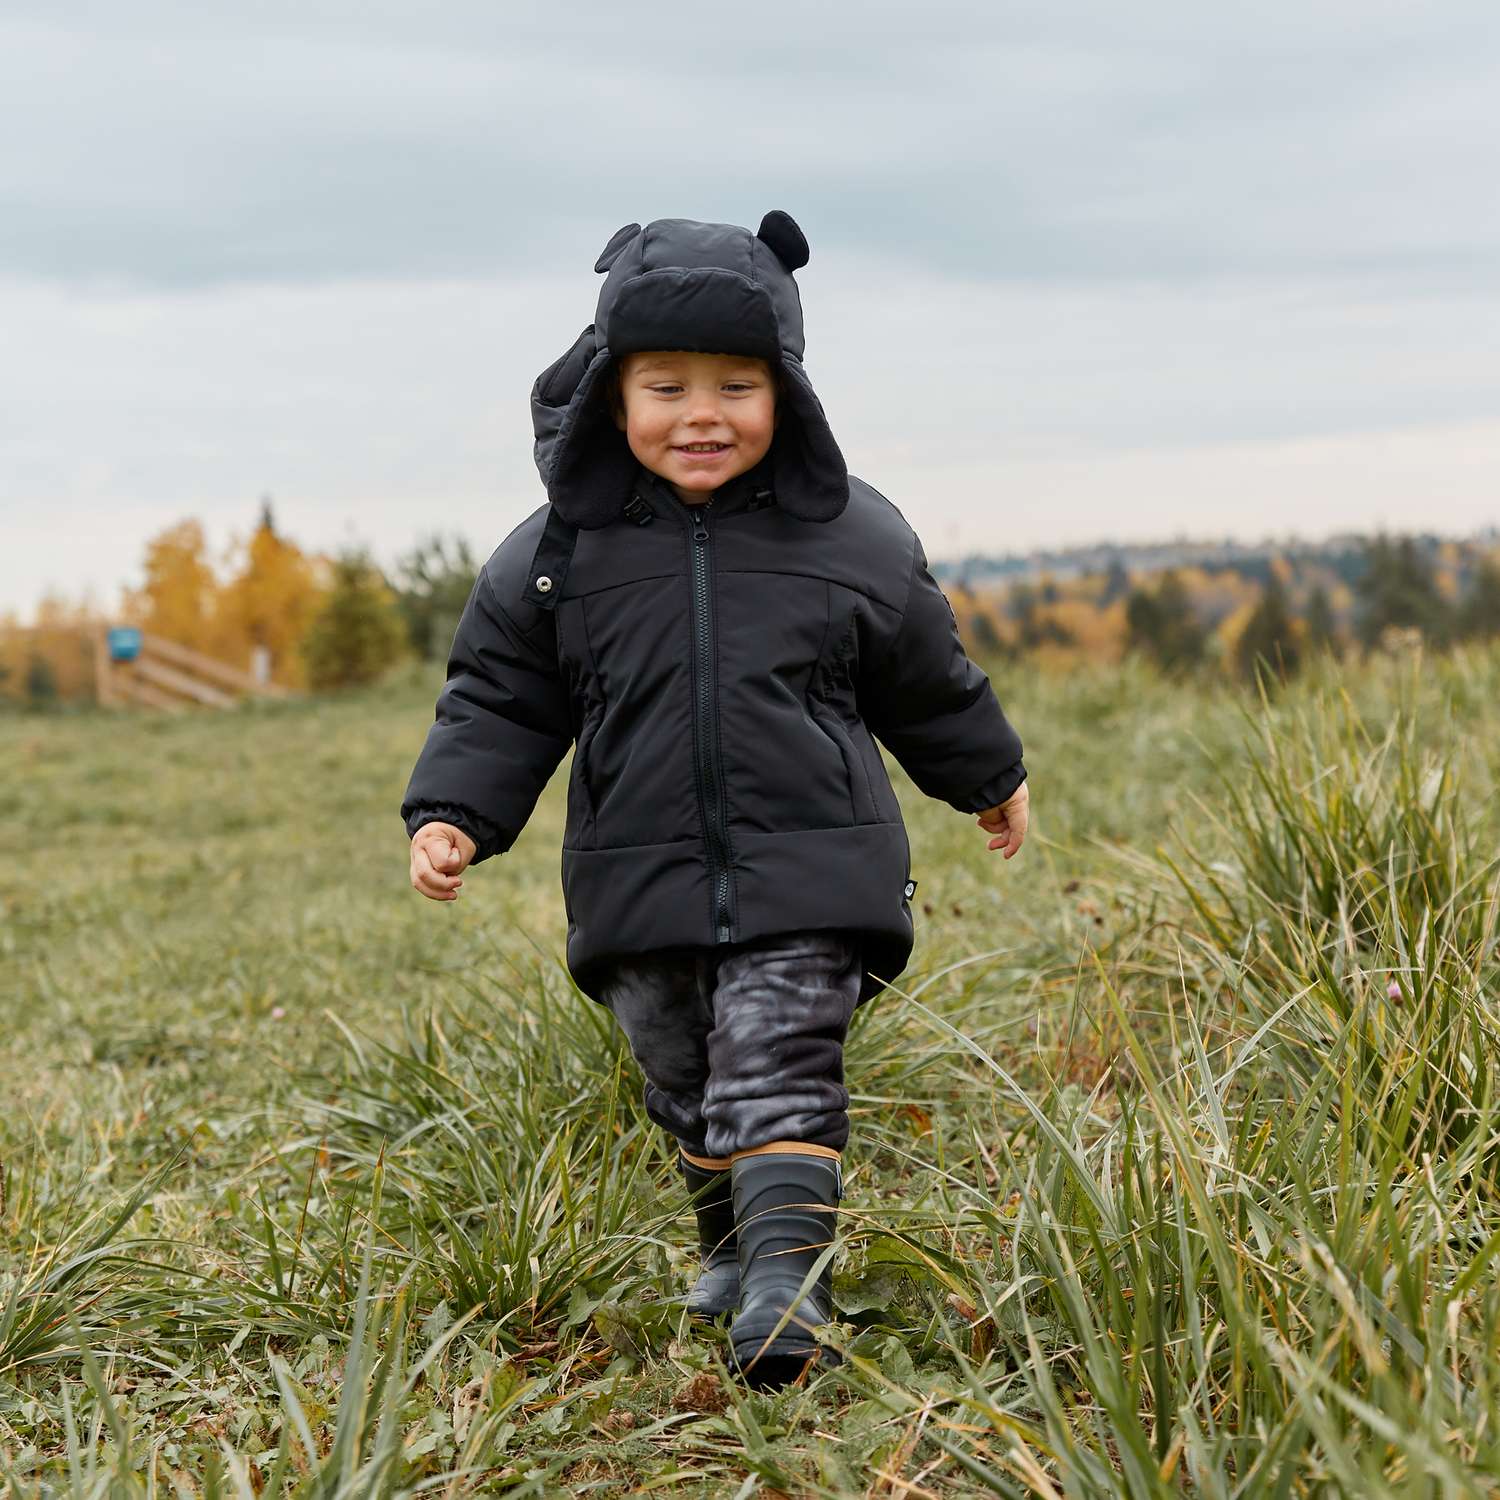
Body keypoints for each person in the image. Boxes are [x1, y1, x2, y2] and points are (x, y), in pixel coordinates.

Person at [401, 211, 1029, 1388]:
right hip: (638, 881)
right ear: (610, 395)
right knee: (687, 1083)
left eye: (737, 386)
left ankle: (793, 1285)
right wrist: (456, 813)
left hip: (813, 869)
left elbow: (927, 673)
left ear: (787, 392)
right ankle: (732, 1251)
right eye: (667, 386)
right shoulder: (555, 556)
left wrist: (985, 776)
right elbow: (499, 701)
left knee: (781, 1058)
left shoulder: (851, 535)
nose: (704, 414)